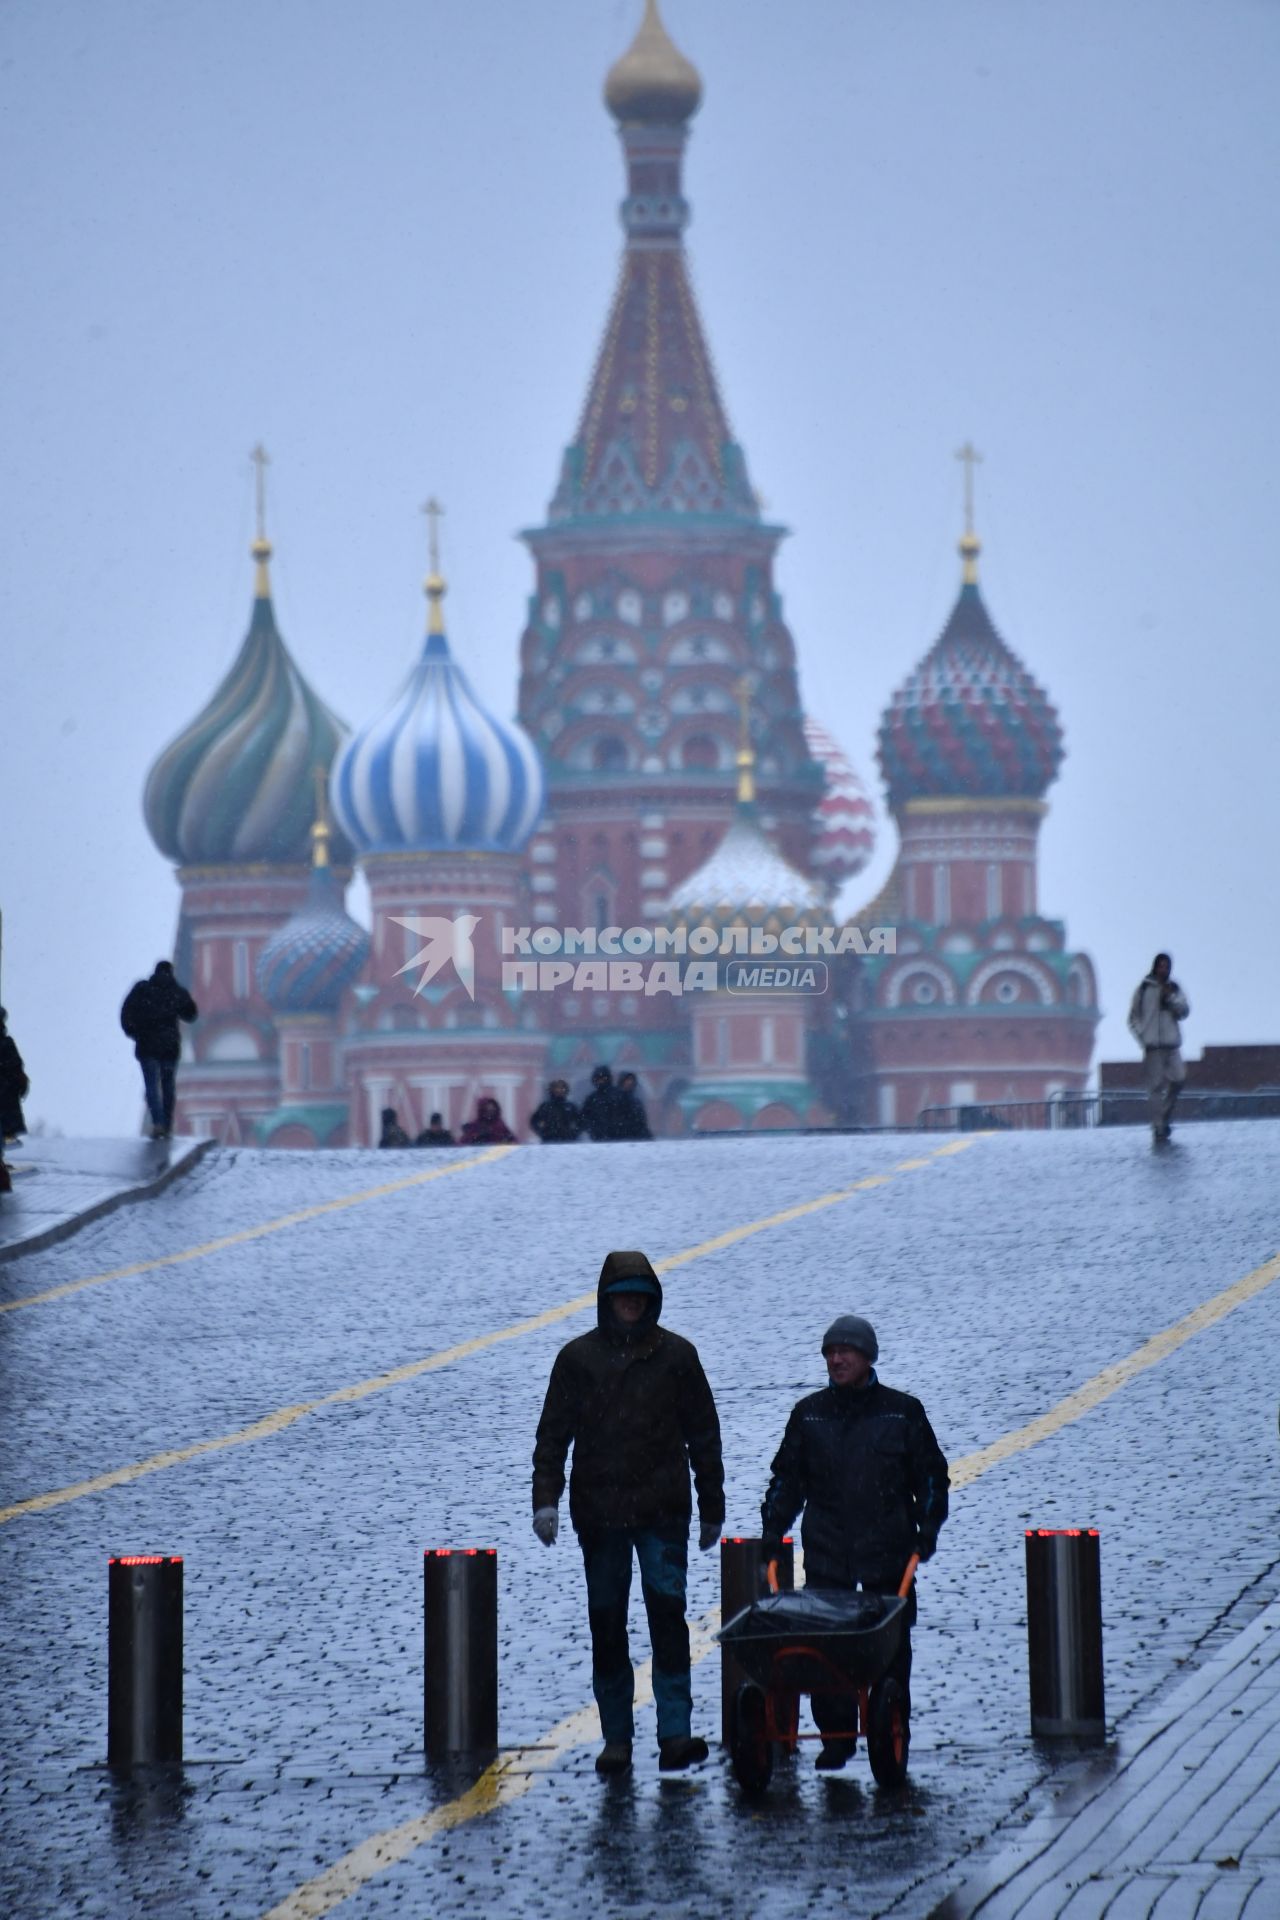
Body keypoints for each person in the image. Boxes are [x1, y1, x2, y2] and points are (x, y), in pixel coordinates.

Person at [532, 1251, 725, 1776]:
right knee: (607, 1626)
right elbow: (552, 1437)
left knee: (668, 1622)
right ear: (607, 1299)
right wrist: (545, 1500)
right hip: (600, 1518)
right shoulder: (577, 1360)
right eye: (623, 1295)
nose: (631, 1303)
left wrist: (713, 1505)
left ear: (652, 1298)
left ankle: (675, 1735)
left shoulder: (678, 1357)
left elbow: (704, 1435)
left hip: (662, 1515)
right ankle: (616, 1737)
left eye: (638, 1295)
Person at [760, 1314, 948, 1770]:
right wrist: (772, 1528)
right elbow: (787, 1479)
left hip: (888, 1552)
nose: (837, 1359)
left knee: (890, 1649)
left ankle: (890, 1727)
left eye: (846, 1351)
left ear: (868, 1357)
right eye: (830, 1352)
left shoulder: (902, 1412)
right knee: (825, 1651)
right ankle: (836, 1737)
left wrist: (927, 1529)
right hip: (829, 1552)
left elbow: (931, 1477)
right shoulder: (809, 1415)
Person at [119, 960, 198, 1140]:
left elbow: (126, 1012)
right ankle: (168, 1124)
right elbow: (191, 1014)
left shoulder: (143, 989)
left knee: (152, 1086)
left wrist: (133, 1032)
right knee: (168, 1086)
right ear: (171, 973)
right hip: (169, 1048)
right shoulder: (175, 991)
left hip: (147, 1047)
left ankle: (158, 1123)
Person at [1128, 952, 1190, 1143]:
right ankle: (1158, 1127)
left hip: (1172, 1044)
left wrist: (1170, 998)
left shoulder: (1174, 988)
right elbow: (1132, 1017)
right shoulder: (1144, 988)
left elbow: (1184, 1011)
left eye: (1167, 966)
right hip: (1152, 1046)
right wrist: (1143, 1036)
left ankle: (1163, 1115)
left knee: (1179, 1079)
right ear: (1155, 967)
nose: (1164, 969)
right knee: (1155, 1087)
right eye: (1161, 966)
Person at [0, 1009, 30, 1144]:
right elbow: (16, 1065)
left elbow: (16, 1065)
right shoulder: (6, 1042)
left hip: (7, 1089)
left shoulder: (6, 1042)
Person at [530, 1079, 582, 1144]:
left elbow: (580, 1122)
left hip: (568, 1142)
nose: (559, 1090)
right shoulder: (545, 1106)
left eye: (562, 1088)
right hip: (549, 1142)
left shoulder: (571, 1107)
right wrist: (542, 1132)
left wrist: (573, 1133)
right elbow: (534, 1121)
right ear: (551, 1090)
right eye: (556, 1088)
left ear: (566, 1090)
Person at [580, 1064, 621, 1142]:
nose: (601, 1081)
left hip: (618, 1139)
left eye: (603, 1078)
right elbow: (584, 1118)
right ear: (594, 1080)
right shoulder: (591, 1098)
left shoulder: (619, 1095)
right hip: (597, 1139)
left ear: (608, 1078)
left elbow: (625, 1115)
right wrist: (592, 1129)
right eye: (598, 1078)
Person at [614, 1071, 652, 1141]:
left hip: (635, 1138)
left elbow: (642, 1123)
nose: (629, 1083)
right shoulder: (615, 1100)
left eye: (631, 1080)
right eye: (627, 1080)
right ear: (622, 1082)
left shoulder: (636, 1102)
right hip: (619, 1138)